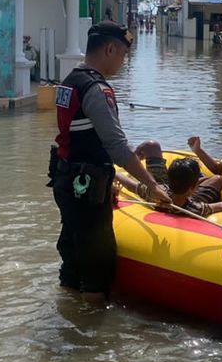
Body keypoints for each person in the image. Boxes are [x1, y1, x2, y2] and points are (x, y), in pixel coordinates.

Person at [48, 22, 170, 304]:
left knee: (72, 257)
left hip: (67, 181)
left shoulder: (69, 81)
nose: (123, 61)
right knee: (97, 265)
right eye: (123, 54)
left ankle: (69, 317)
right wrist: (151, 186)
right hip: (88, 190)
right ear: (110, 48)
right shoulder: (97, 89)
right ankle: (91, 341)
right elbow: (116, 147)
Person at [117, 148, 222, 216]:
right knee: (218, 179)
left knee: (216, 179)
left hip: (179, 192)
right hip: (193, 197)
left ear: (169, 180)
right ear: (193, 187)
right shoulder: (196, 209)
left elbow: (130, 185)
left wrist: (114, 174)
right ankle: (200, 178)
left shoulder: (156, 194)